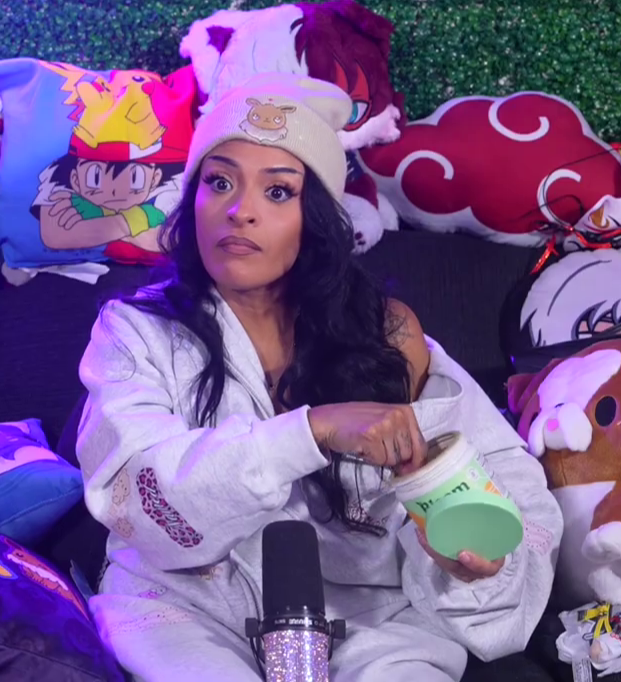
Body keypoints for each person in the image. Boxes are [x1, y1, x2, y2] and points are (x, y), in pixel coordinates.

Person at [75, 73, 562, 682]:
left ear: (318, 219)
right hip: (191, 610)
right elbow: (140, 500)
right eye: (219, 182)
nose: (240, 210)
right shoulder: (136, 331)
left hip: (368, 624)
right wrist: (313, 431)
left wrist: (465, 563)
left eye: (278, 192)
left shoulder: (387, 337)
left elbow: (509, 491)